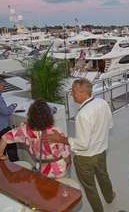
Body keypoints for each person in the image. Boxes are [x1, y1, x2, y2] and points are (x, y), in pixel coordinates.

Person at [47, 78, 115, 212]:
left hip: (85, 159)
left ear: (84, 93)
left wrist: (61, 139)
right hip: (101, 152)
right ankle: (109, 197)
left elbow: (82, 144)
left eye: (74, 91)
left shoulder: (82, 115)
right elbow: (110, 124)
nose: (72, 94)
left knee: (90, 188)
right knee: (103, 176)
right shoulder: (102, 103)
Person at [0, 98, 71, 178]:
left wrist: (0, 155)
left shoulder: (24, 129)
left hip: (42, 170)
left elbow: (4, 138)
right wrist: (68, 162)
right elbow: (65, 153)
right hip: (59, 170)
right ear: (49, 116)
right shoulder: (55, 131)